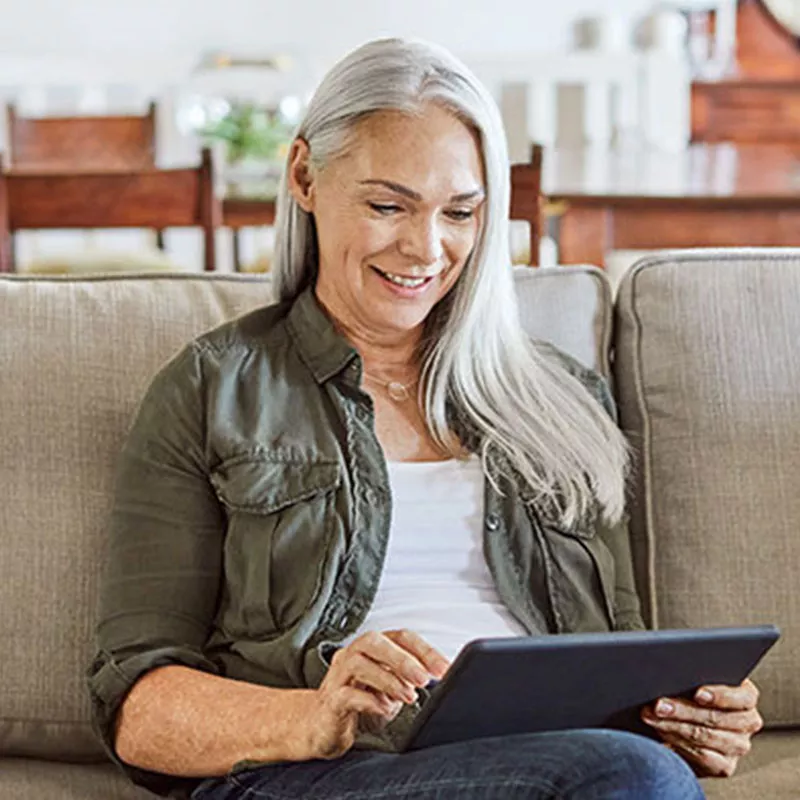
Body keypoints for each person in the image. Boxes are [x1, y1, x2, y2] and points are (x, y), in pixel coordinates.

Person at [87, 37, 762, 800]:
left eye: (461, 213)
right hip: (316, 773)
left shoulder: (562, 401)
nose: (425, 248)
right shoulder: (213, 389)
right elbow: (136, 706)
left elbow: (623, 654)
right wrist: (314, 717)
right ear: (305, 176)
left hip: (556, 763)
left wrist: (684, 716)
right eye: (387, 205)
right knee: (629, 775)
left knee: (637, 767)